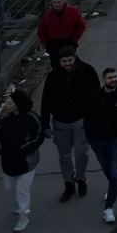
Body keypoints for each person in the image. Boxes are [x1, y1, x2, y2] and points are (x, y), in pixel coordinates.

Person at [40, 43, 98, 202]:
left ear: (75, 58)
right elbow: (46, 102)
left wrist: (93, 118)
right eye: (64, 61)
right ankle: (69, 183)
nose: (67, 64)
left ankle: (81, 178)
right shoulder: (53, 77)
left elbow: (96, 97)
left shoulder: (87, 71)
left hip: (81, 121)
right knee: (64, 156)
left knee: (81, 153)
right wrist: (45, 125)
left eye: (69, 60)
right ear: (59, 61)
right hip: (60, 123)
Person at [84, 66, 117, 223]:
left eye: (115, 77)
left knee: (114, 172)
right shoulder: (94, 98)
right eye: (110, 78)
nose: (113, 80)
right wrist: (91, 138)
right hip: (98, 141)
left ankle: (108, 208)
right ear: (104, 80)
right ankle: (114, 185)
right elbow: (88, 121)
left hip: (116, 139)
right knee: (106, 168)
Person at [0, 87, 45, 232]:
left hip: (27, 161)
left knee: (22, 189)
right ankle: (21, 205)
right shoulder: (6, 120)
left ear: (18, 104)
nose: (7, 104)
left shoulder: (31, 117)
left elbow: (38, 136)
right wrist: (2, 150)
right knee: (9, 187)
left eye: (10, 102)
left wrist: (22, 149)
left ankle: (24, 216)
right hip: (9, 162)